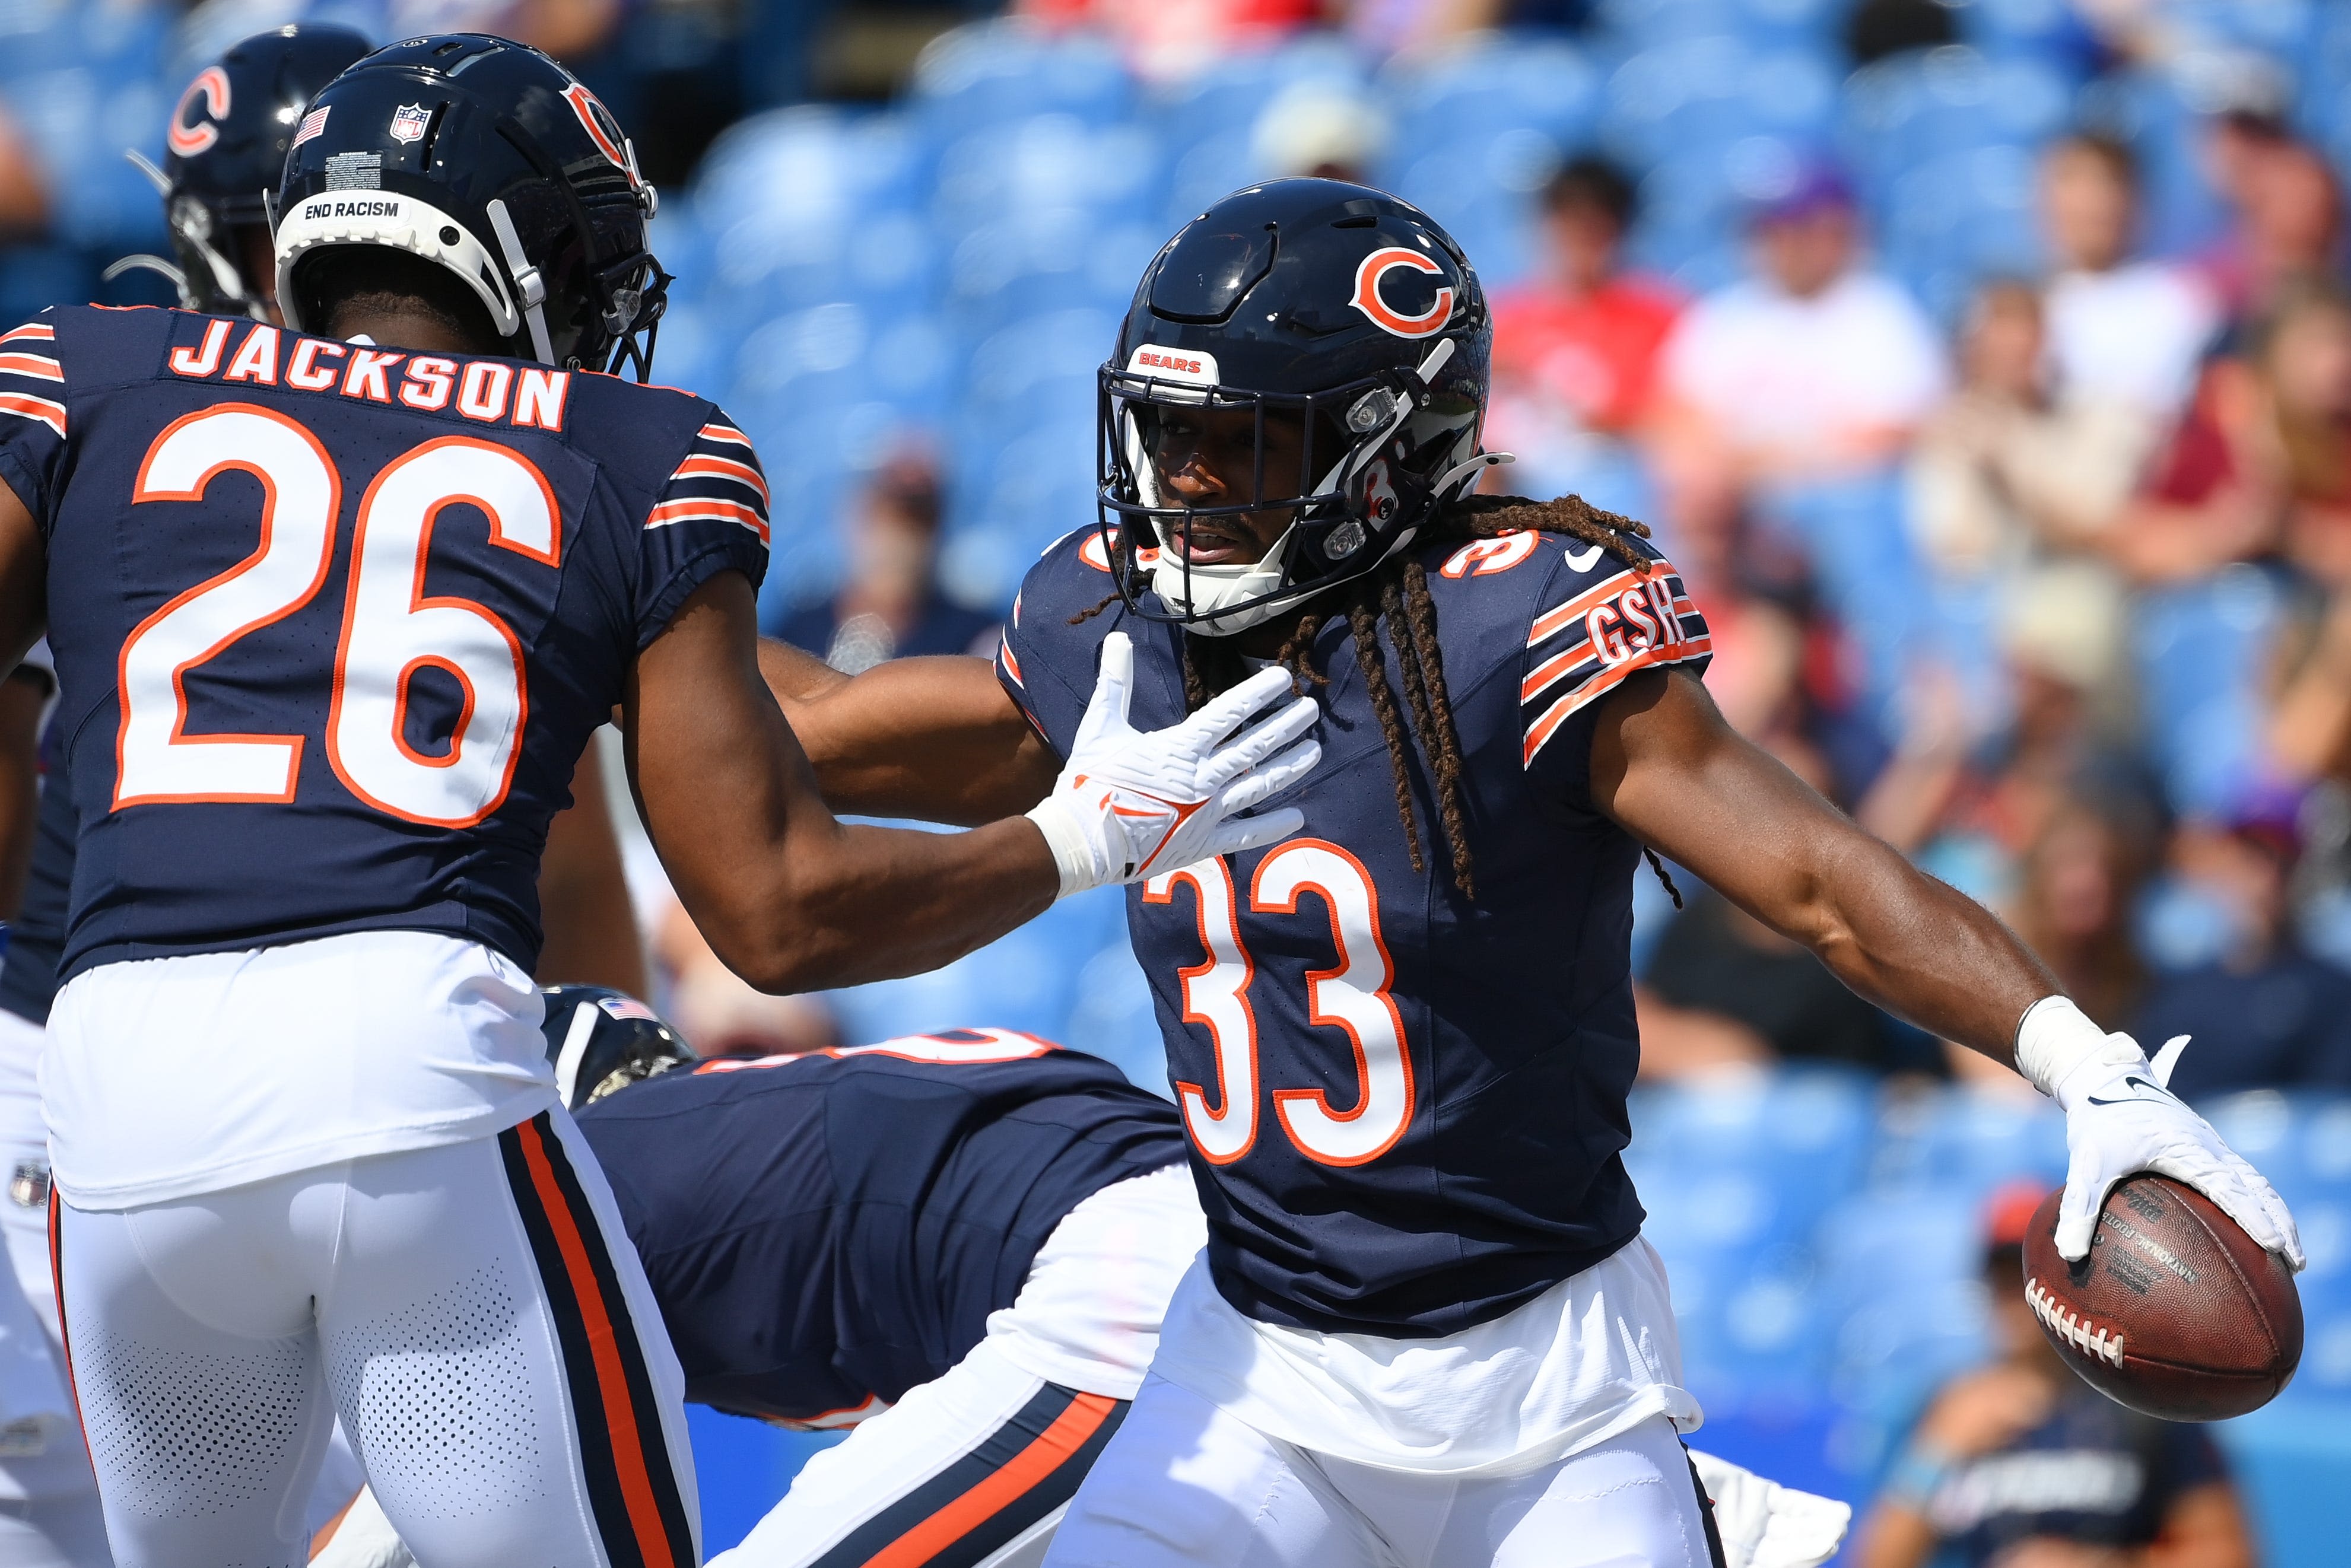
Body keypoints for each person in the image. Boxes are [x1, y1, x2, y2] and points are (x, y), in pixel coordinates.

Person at [758, 177, 2300, 1568]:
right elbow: (815, 732)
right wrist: (614, 577)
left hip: (1552, 1397)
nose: (1186, 480)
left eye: (1243, 442)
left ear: (1389, 452)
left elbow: (1822, 879)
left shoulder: (1517, 622)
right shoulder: (1115, 629)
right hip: (1255, 1376)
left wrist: (2088, 1073)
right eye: (1170, 431)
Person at [0, 35, 1318, 1568]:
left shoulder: (78, 375)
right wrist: (1072, 841)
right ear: (522, 253)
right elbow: (773, 907)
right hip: (397, 1060)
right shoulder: (626, 453)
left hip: (105, 1084)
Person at [317, 990, 1853, 1568]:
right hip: (1216, 1263)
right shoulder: (805, 1121)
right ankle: (1676, 1504)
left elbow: (402, 1522)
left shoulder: (561, 1202)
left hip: (1124, 1290)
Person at [1852, 1184, 2257, 1568]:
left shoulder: (2145, 1403)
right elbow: (1877, 1561)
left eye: (2035, 1270)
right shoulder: (1950, 1407)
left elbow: (2230, 1555)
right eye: (2004, 1273)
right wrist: (1936, 1452)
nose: (2019, 1290)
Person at [1651, 160, 1945, 486]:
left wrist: (1769, 465)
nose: (1775, 243)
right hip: (1736, 506)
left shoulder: (1882, 314)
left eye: (1791, 227)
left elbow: (1894, 435)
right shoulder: (1724, 314)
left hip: (1832, 508)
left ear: (1834, 230)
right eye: (1765, 228)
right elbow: (1675, 417)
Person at [1485, 155, 1681, 455]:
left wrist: (1586, 416)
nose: (1582, 234)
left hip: (1619, 471)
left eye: (1596, 223)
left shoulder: (1657, 319)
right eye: (1570, 219)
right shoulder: (1505, 318)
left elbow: (1670, 419)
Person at [2036, 134, 2218, 420]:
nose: (2088, 203)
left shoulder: (2183, 302)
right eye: (2070, 182)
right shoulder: (2024, 312)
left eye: (2103, 182)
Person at [771, 453, 1000, 674]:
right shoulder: (798, 635)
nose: (901, 541)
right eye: (888, 519)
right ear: (856, 519)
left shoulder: (971, 640)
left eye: (919, 523)